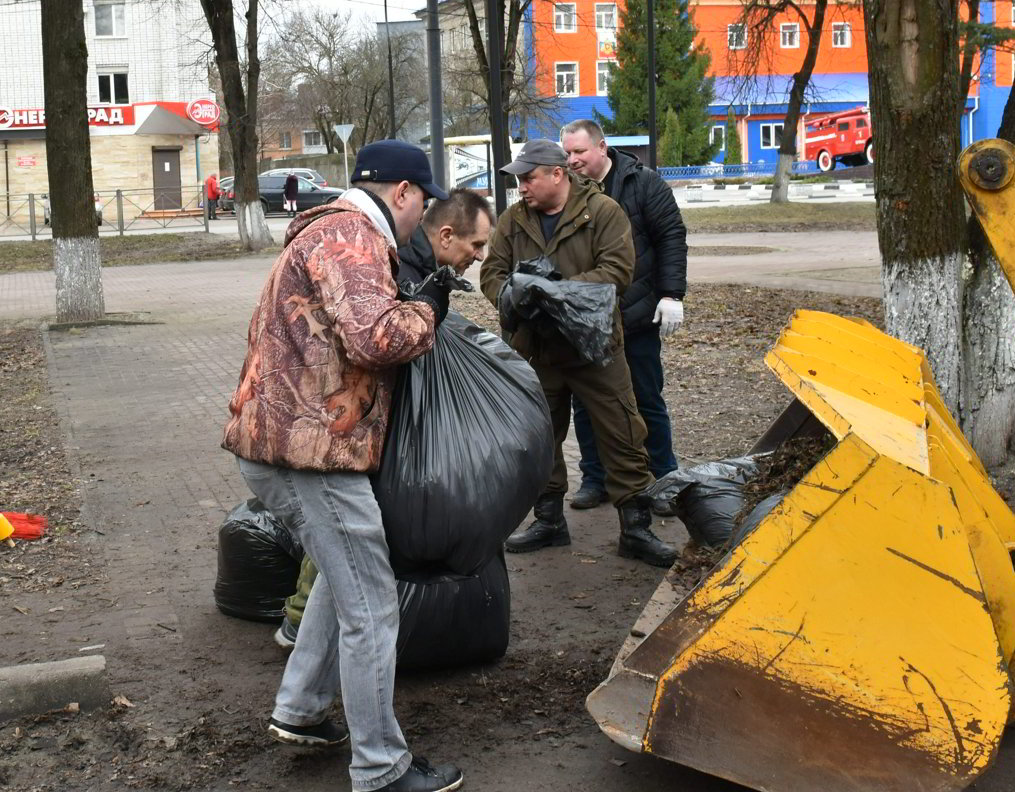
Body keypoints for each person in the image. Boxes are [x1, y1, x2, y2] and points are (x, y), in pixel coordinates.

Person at [223, 139, 466, 792]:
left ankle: (301, 709)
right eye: (423, 203)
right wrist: (428, 310)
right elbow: (376, 338)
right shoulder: (353, 235)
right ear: (403, 192)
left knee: (343, 580)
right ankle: (381, 769)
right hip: (315, 455)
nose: (421, 218)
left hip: (283, 445)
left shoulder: (325, 230)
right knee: (373, 609)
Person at [275, 187, 496, 650]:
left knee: (346, 537)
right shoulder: (396, 264)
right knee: (345, 537)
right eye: (475, 245)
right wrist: (428, 309)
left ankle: (310, 633)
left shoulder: (414, 263)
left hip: (362, 422)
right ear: (447, 235)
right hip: (350, 425)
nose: (479, 256)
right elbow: (381, 342)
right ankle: (303, 622)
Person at [479, 139, 676, 568]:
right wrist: (514, 296)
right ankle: (549, 520)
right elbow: (492, 273)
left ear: (557, 174)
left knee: (623, 434)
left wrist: (551, 293)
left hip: (594, 348)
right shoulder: (514, 220)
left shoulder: (602, 212)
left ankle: (636, 528)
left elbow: (617, 272)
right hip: (536, 350)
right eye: (518, 180)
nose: (521, 187)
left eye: (528, 178)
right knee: (539, 439)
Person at [558, 120, 688, 509]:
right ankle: (595, 478)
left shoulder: (643, 183)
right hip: (587, 320)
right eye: (567, 153)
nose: (572, 160)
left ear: (602, 147)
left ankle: (662, 477)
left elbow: (671, 236)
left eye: (579, 151)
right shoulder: (567, 190)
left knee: (645, 397)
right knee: (586, 401)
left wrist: (671, 294)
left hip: (636, 314)